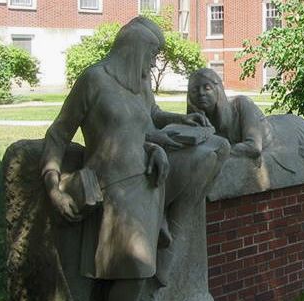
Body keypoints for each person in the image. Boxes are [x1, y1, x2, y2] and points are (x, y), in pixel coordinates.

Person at [40, 17, 226, 301]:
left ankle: (163, 232)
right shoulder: (94, 80)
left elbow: (151, 117)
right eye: (152, 55)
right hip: (115, 193)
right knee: (135, 270)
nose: (153, 64)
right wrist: (53, 187)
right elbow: (57, 135)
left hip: (149, 184)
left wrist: (181, 120)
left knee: (214, 150)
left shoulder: (141, 84)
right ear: (136, 49)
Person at [186, 68, 304, 179]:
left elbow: (254, 147)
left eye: (207, 87)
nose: (201, 93)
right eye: (195, 90)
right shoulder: (200, 119)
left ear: (218, 90)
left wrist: (219, 150)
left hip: (287, 134)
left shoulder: (240, 104)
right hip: (277, 123)